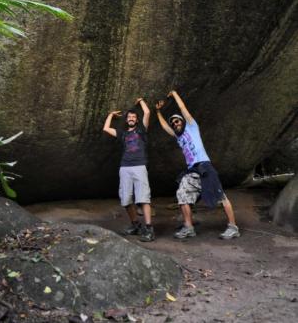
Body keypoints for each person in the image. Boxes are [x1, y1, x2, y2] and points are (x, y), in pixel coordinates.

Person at [155, 90, 240, 240]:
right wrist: (157, 111)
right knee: (182, 194)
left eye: (177, 121)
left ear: (183, 121)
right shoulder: (178, 137)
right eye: (173, 123)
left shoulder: (192, 127)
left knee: (221, 197)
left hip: (205, 168)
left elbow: (183, 109)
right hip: (192, 171)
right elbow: (164, 127)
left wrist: (174, 94)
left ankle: (233, 227)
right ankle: (189, 227)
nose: (175, 123)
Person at [103, 97, 155, 242]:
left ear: (137, 120)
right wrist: (110, 115)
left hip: (139, 166)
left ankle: (149, 228)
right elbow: (106, 129)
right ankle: (136, 225)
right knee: (126, 199)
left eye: (133, 117)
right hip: (125, 167)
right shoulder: (123, 133)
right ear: (126, 120)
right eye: (129, 117)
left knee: (143, 198)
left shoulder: (142, 130)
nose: (131, 118)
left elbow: (147, 112)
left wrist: (141, 101)